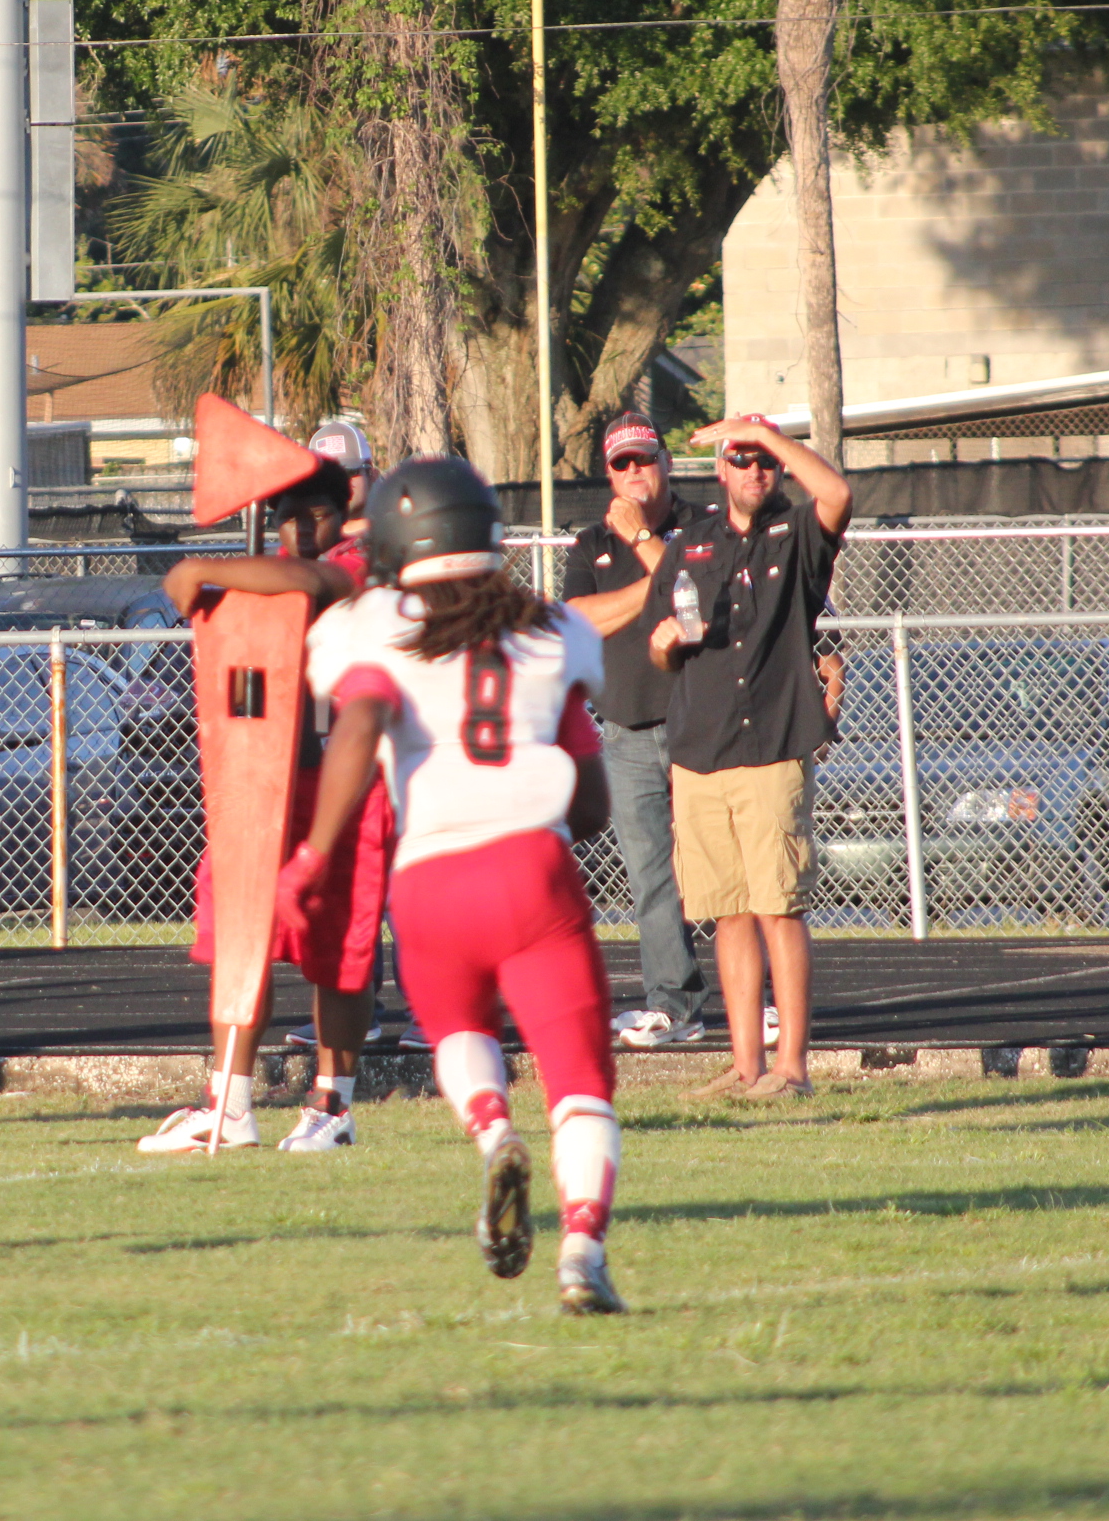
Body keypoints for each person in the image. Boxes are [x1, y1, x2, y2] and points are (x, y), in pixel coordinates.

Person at [289, 454, 626, 1315]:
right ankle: (582, 1251)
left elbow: (361, 718)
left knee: (457, 1031)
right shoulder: (548, 629)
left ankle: (492, 1129)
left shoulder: (370, 624)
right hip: (534, 868)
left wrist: (314, 855)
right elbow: (592, 801)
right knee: (581, 1083)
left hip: (432, 876)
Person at [140, 457, 393, 1153]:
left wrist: (202, 567)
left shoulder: (359, 564)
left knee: (339, 951)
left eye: (318, 512)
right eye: (288, 515)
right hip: (257, 780)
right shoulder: (261, 573)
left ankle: (332, 1107)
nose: (302, 528)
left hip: (342, 784)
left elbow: (313, 582)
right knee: (237, 935)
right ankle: (228, 1104)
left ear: (344, 514)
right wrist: (208, 580)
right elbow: (207, 609)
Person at [647, 415, 852, 1100]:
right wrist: (665, 645)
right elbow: (659, 645)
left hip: (771, 746)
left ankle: (791, 1068)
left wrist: (768, 435)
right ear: (720, 470)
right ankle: (745, 1067)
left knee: (778, 907)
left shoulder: (795, 535)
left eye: (764, 460)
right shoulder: (690, 545)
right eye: (742, 458)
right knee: (729, 912)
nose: (755, 470)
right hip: (701, 752)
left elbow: (837, 495)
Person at [558, 411, 709, 1049]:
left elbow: (698, 597)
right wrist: (655, 584)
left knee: (725, 869)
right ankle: (674, 1005)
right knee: (651, 878)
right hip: (625, 732)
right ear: (608, 473)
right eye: (621, 463)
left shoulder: (704, 525)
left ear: (666, 462)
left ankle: (762, 1003)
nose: (634, 472)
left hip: (703, 725)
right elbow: (577, 619)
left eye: (643, 459)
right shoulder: (591, 541)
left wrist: (648, 545)